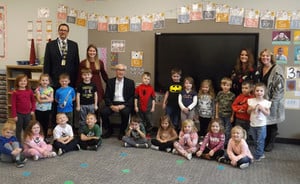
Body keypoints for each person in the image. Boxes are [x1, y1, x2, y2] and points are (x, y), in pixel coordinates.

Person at [256, 49, 285, 152]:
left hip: (273, 101)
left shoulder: (277, 69)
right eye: (263, 56)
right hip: (262, 100)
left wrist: (271, 102)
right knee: (264, 122)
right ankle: (265, 141)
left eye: (267, 56)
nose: (265, 58)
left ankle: (270, 143)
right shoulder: (260, 68)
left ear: (271, 57)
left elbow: (279, 89)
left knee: (272, 122)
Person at [100, 64, 135, 140]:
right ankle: (109, 130)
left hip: (124, 104)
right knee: (103, 112)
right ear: (116, 71)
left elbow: (132, 97)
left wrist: (123, 105)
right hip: (113, 103)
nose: (120, 72)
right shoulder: (110, 82)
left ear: (124, 72)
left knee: (125, 113)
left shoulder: (130, 82)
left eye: (122, 70)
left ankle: (122, 131)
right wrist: (112, 106)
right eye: (119, 70)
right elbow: (106, 96)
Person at [43, 23, 80, 89]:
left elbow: (76, 63)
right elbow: (47, 64)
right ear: (58, 31)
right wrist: (47, 80)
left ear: (68, 32)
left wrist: (76, 80)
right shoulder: (50, 45)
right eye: (61, 30)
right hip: (55, 80)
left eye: (65, 30)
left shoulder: (74, 45)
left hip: (70, 79)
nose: (63, 32)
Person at [247, 83, 271, 161]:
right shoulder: (251, 101)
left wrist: (262, 108)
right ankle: (260, 153)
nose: (259, 92)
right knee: (255, 139)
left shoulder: (266, 102)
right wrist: (252, 108)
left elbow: (268, 114)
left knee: (260, 140)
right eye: (257, 90)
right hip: (253, 124)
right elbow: (248, 112)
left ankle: (257, 155)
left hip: (261, 125)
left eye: (261, 91)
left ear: (264, 92)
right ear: (254, 92)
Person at [11, 74, 36, 142]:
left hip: (28, 114)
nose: (23, 82)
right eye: (21, 81)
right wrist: (14, 115)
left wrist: (32, 110)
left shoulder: (29, 91)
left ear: (27, 82)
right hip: (19, 114)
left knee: (27, 128)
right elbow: (13, 105)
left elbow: (33, 101)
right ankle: (18, 142)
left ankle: (27, 141)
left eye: (24, 81)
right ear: (17, 82)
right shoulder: (15, 92)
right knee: (18, 129)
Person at [215, 77, 235, 147]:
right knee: (221, 129)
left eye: (227, 85)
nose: (225, 87)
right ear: (221, 85)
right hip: (220, 115)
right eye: (224, 85)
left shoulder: (232, 95)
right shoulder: (219, 93)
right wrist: (216, 114)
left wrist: (232, 116)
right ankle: (221, 142)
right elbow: (217, 104)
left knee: (227, 130)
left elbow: (233, 106)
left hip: (228, 115)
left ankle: (226, 143)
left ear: (230, 86)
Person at [35, 74, 54, 138]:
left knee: (46, 124)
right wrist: (48, 99)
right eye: (43, 80)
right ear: (40, 81)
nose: (44, 82)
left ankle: (45, 137)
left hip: (47, 109)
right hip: (39, 109)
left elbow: (52, 100)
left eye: (46, 80)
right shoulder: (38, 89)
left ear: (49, 81)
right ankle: (39, 136)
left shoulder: (51, 89)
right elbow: (39, 100)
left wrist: (45, 96)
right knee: (39, 124)